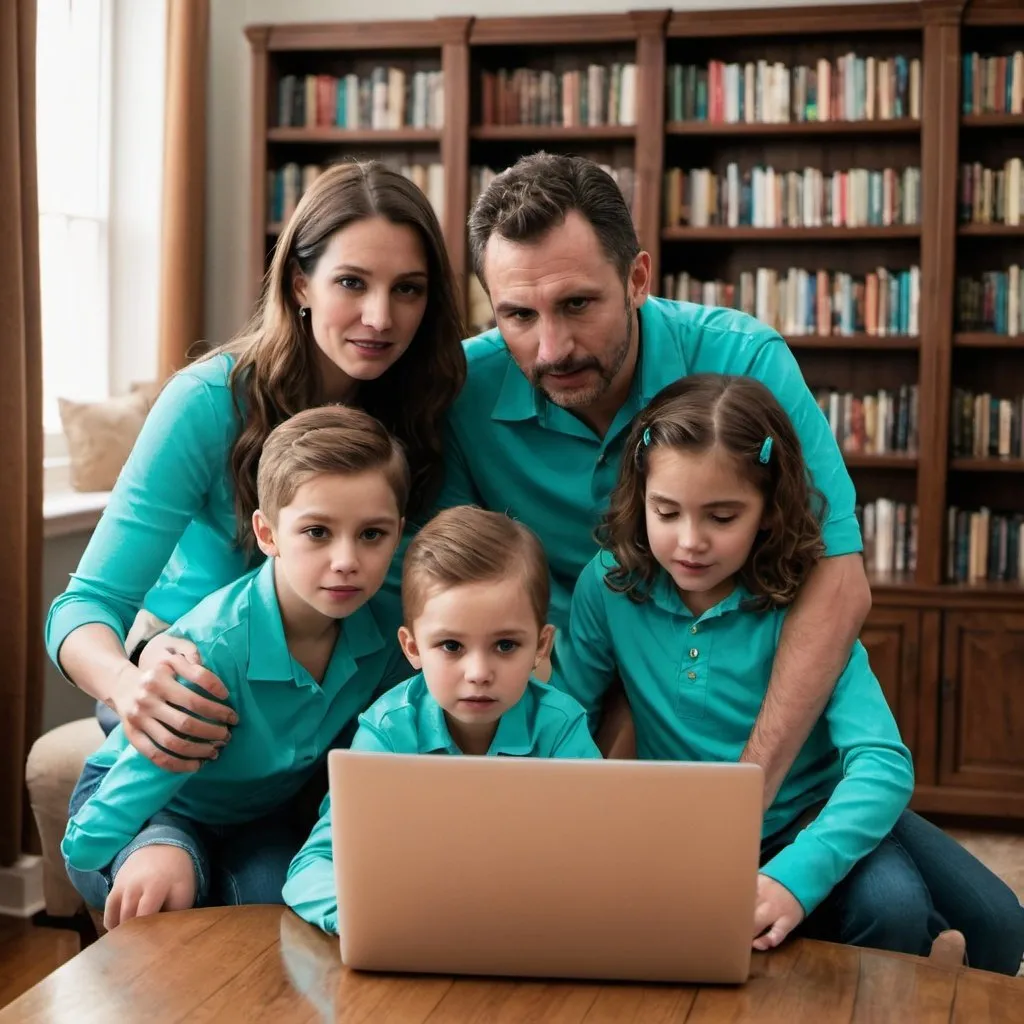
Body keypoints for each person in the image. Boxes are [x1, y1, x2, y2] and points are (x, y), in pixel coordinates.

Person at [428, 151, 870, 805]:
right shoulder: (462, 391)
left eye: (577, 304)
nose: (551, 350)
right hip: (549, 700)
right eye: (518, 315)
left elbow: (837, 582)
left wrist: (744, 796)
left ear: (638, 278)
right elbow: (440, 585)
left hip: (728, 706)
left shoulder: (741, 358)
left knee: (970, 911)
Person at [553, 374, 1024, 973]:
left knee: (1002, 920)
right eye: (666, 511)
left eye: (722, 517)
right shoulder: (611, 583)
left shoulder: (802, 601)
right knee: (897, 908)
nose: (690, 542)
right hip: (692, 826)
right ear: (639, 497)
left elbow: (882, 764)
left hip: (813, 810)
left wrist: (795, 879)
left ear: (768, 514)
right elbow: (568, 713)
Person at [45, 159, 466, 769]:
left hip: (346, 708)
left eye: (408, 288)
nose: (381, 317)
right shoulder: (208, 401)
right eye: (351, 282)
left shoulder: (433, 405)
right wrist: (127, 684)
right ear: (300, 282)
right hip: (201, 691)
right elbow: (83, 606)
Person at [62, 406, 414, 929]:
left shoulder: (389, 635)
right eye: (317, 532)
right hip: (154, 808)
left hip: (256, 818)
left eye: (371, 535)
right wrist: (129, 850)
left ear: (399, 533)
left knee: (282, 908)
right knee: (165, 882)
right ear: (268, 534)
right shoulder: (213, 650)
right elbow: (90, 838)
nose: (347, 560)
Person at [283, 505, 601, 934]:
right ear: (412, 649)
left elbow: (600, 858)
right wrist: (366, 919)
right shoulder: (388, 731)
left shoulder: (561, 727)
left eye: (506, 645)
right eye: (451, 646)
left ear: (541, 646)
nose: (478, 673)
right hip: (415, 935)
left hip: (530, 933)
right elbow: (314, 864)